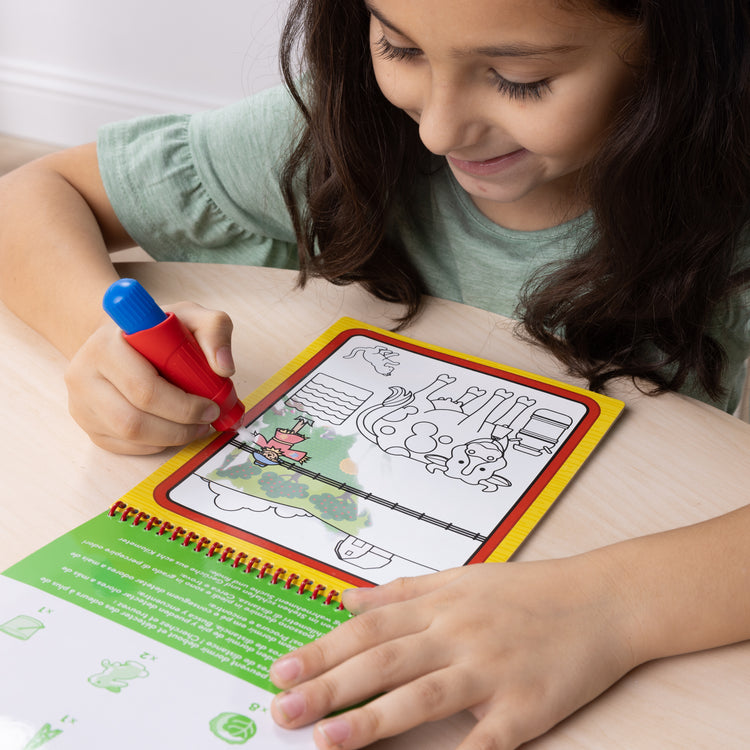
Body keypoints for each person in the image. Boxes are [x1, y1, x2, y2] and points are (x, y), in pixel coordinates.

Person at [0, 0, 748, 747]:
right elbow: (28, 199)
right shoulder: (344, 130)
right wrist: (100, 337)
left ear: (678, 51)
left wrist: (611, 607)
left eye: (519, 80)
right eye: (399, 47)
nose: (438, 130)